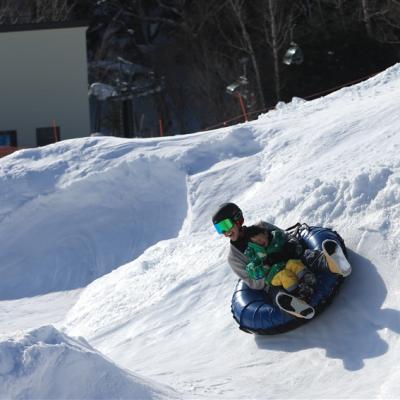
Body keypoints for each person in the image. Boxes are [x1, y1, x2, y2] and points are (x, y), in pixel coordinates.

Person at [212, 202, 351, 307]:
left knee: (306, 256)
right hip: (274, 278)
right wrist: (267, 270)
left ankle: (332, 263)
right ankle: (294, 305)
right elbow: (252, 282)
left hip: (291, 260)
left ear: (237, 220)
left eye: (226, 225)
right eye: (220, 229)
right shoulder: (234, 257)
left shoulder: (262, 227)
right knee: (276, 291)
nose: (224, 232)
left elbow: (287, 237)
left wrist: (289, 248)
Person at [245, 224, 316, 301]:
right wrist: (265, 266)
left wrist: (289, 247)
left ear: (265, 233)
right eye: (256, 242)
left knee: (293, 263)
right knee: (285, 275)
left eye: (259, 239)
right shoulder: (255, 254)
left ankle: (308, 278)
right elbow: (252, 271)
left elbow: (291, 239)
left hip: (285, 264)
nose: (259, 243)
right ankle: (299, 292)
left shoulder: (276, 238)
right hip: (273, 275)